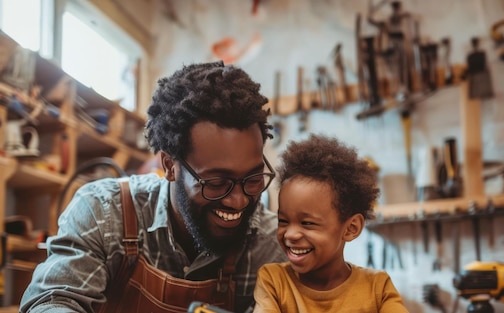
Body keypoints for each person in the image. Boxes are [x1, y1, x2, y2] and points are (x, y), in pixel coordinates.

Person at [20, 61, 287, 313]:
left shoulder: (272, 243)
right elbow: (54, 300)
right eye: (217, 183)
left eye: (252, 180)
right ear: (170, 166)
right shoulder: (104, 214)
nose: (239, 201)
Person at [253, 134, 409, 312]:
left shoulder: (378, 288)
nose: (290, 234)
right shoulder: (273, 281)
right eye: (283, 221)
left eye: (307, 223)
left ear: (351, 228)